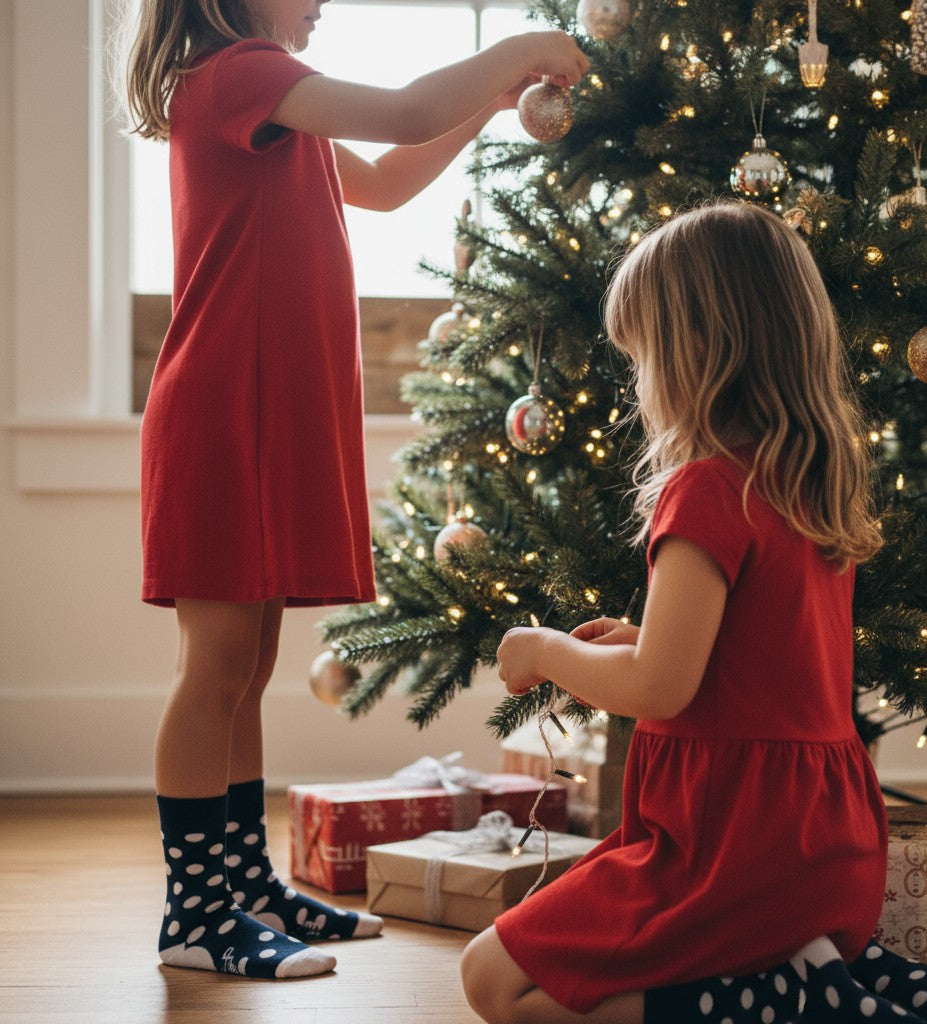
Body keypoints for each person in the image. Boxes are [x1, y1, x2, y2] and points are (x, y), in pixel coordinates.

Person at [122, 0, 588, 980]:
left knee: (245, 662)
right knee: (213, 668)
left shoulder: (271, 105)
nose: (323, 0)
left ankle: (240, 885)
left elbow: (381, 178)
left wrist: (488, 104)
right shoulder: (241, 73)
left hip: (263, 412)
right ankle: (196, 913)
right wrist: (513, 51)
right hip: (226, 412)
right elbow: (404, 110)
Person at [461, 202, 927, 1024]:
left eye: (642, 359)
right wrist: (644, 636)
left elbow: (659, 688)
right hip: (829, 845)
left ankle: (797, 1003)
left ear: (698, 349)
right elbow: (756, 658)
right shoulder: (809, 484)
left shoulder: (705, 489)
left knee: (495, 981)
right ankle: (851, 974)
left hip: (731, 844)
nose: (638, 383)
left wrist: (545, 650)